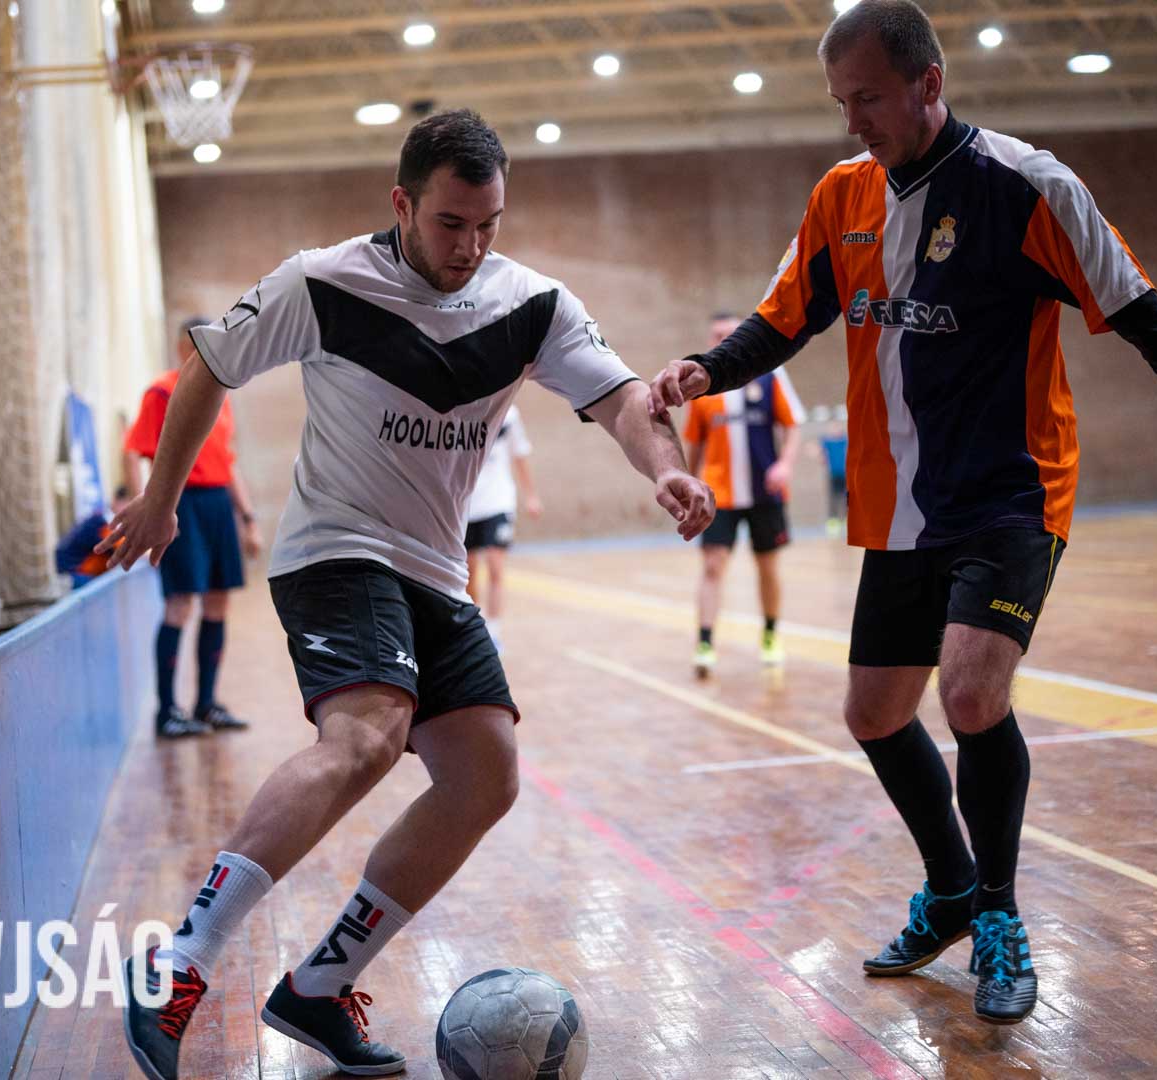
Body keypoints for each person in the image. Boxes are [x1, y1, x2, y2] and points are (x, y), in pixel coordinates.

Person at [648, 0, 1157, 1026]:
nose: (852, 121)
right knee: (874, 715)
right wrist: (707, 368)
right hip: (897, 505)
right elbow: (784, 317)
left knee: (968, 695)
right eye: (840, 103)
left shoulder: (1028, 186)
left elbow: (1147, 320)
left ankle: (999, 913)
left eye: (868, 98)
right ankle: (952, 888)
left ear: (929, 81)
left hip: (1013, 492)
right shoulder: (842, 195)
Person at [101, 109, 714, 1080]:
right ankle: (181, 962)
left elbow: (622, 399)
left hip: (434, 568)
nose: (470, 246)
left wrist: (664, 468)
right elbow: (206, 368)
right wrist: (161, 500)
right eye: (450, 224)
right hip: (333, 550)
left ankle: (319, 985)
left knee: (484, 777)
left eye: (488, 225)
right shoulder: (322, 281)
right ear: (402, 204)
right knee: (366, 737)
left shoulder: (534, 304)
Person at [123, 321, 264, 738]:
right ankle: (167, 711)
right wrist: (148, 505)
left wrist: (248, 518)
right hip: (181, 501)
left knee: (218, 601)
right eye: (198, 346)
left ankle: (206, 704)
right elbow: (133, 450)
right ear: (183, 347)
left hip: (218, 503)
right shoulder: (162, 391)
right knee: (180, 604)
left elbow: (228, 461)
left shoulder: (221, 395)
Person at [683, 312, 802, 676]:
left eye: (730, 334)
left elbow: (793, 425)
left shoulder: (769, 377)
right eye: (716, 335)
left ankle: (770, 635)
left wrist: (785, 465)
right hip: (719, 493)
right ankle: (705, 642)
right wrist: (688, 485)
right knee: (712, 565)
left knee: (767, 565)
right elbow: (694, 443)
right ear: (709, 340)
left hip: (766, 491)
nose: (723, 340)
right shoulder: (701, 390)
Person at [464, 402, 542, 650]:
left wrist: (531, 495)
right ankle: (475, 630)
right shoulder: (463, 410)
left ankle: (494, 632)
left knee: (495, 566)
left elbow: (520, 455)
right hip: (467, 506)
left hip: (498, 502)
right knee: (469, 573)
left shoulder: (510, 415)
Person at [54, 485, 129, 588]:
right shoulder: (103, 523)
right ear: (117, 501)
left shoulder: (101, 518)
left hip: (79, 572)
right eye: (127, 504)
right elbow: (122, 548)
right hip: (76, 574)